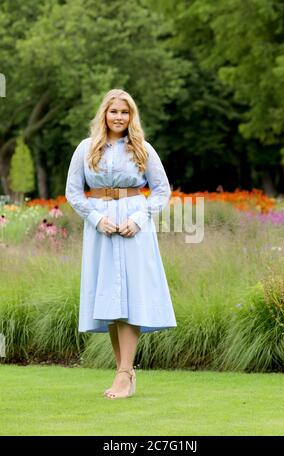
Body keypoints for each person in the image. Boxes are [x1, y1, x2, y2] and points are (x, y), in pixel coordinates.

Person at [65, 88, 177, 399]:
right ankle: (123, 373)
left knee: (129, 297)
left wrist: (139, 219)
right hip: (101, 227)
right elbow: (73, 192)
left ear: (131, 116)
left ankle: (124, 373)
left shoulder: (142, 148)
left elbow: (161, 190)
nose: (119, 117)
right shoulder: (86, 149)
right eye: (113, 111)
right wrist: (96, 218)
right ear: (104, 114)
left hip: (133, 226)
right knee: (112, 301)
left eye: (124, 112)